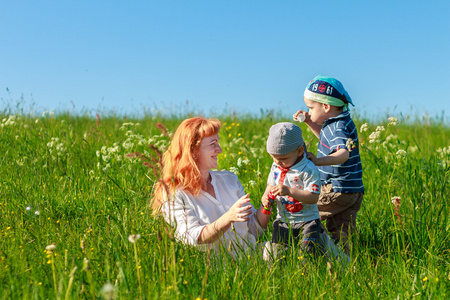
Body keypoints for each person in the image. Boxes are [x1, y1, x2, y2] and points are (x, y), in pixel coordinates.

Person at [151, 117, 270, 256]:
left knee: (283, 251)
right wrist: (229, 217)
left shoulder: (230, 180)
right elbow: (192, 238)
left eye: (218, 142)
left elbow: (254, 230)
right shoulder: (175, 194)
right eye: (213, 144)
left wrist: (267, 203)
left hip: (251, 256)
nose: (219, 150)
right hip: (214, 270)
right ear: (193, 150)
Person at [293, 75, 364, 253]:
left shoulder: (338, 126)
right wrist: (309, 121)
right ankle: (344, 264)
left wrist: (318, 161)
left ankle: (307, 247)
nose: (308, 111)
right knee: (342, 234)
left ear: (326, 106)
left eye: (311, 108)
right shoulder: (339, 121)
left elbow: (342, 153)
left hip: (337, 188)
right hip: (353, 190)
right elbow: (327, 141)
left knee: (304, 209)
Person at [261, 122, 325, 258]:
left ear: (300, 151)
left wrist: (289, 191)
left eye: (283, 159)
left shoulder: (308, 169)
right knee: (277, 252)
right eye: (273, 158)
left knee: (309, 253)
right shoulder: (276, 166)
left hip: (307, 221)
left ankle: (310, 273)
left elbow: (313, 197)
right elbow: (270, 186)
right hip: (283, 220)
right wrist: (265, 198)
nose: (278, 162)